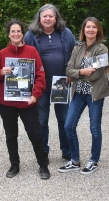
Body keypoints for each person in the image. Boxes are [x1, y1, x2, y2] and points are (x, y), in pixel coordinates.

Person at [0, 19, 50, 179]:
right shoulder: (2, 54)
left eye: (18, 31)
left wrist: (35, 95)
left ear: (22, 33)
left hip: (27, 101)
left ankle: (43, 165)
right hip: (6, 103)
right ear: (8, 34)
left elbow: (40, 75)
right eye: (13, 31)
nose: (16, 34)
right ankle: (14, 164)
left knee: (35, 133)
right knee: (11, 134)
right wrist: (0, 73)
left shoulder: (32, 51)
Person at [57, 17, 109, 174]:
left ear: (98, 30)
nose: (91, 30)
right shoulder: (77, 48)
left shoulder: (102, 49)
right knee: (68, 125)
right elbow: (68, 70)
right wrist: (81, 71)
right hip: (79, 92)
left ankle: (94, 160)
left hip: (94, 93)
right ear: (83, 30)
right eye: (88, 27)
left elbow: (95, 75)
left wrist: (77, 73)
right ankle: (74, 160)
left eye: (94, 27)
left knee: (94, 128)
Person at [24, 3, 76, 162]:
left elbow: (74, 54)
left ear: (56, 18)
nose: (47, 18)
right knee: (41, 121)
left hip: (60, 82)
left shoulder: (65, 33)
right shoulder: (31, 35)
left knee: (64, 119)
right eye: (44, 16)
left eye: (50, 16)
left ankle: (66, 150)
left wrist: (71, 73)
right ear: (39, 18)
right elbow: (25, 58)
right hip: (40, 85)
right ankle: (43, 152)